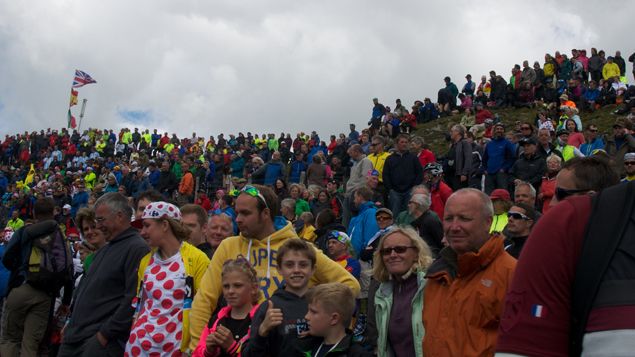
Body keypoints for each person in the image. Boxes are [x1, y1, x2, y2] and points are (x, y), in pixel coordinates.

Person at [188, 185, 361, 351]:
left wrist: (306, 306)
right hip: (238, 347)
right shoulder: (228, 247)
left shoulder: (298, 250)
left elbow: (349, 285)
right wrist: (198, 348)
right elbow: (204, 300)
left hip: (287, 346)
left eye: (245, 213)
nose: (238, 219)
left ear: (265, 213)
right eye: (237, 212)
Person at [496, 167, 622, 356]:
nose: (552, 204)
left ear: (590, 197)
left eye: (561, 195)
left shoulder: (622, 263)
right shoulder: (551, 251)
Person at [423, 189, 516, 356]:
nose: (454, 227)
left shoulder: (511, 274)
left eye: (464, 219)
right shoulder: (436, 276)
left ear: (488, 222)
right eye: (449, 219)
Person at [58, 192, 150, 356]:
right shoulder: (105, 250)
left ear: (120, 216)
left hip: (97, 343)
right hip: (74, 338)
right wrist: (71, 322)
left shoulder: (137, 248)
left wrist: (104, 335)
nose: (98, 226)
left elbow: (132, 300)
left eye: (100, 220)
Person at [127, 201, 210, 355]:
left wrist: (193, 348)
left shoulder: (198, 259)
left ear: (164, 225)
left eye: (147, 225)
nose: (142, 232)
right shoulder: (145, 261)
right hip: (138, 347)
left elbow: (203, 309)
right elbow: (140, 305)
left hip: (175, 350)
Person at [1, 198, 74, 357]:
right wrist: (66, 301)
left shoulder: (23, 231)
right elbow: (68, 271)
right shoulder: (60, 236)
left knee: (10, 338)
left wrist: (19, 271)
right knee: (31, 343)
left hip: (20, 287)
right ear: (53, 212)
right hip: (45, 295)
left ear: (34, 213)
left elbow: (7, 257)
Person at [243, 238, 316, 357]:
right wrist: (262, 332)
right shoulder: (268, 308)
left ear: (313, 269)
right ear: (279, 269)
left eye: (303, 265)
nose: (296, 270)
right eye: (289, 265)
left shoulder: (322, 304)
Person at [373, 226, 432, 357]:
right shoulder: (382, 293)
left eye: (400, 249)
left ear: (416, 252)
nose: (393, 255)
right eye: (387, 251)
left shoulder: (432, 285)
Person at [193, 257, 260, 357]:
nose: (230, 291)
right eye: (226, 286)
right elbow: (197, 354)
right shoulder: (216, 320)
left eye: (237, 285)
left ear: (253, 288)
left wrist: (233, 347)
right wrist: (208, 351)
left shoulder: (261, 320)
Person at [296, 283, 371, 357]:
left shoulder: (357, 354)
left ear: (334, 318)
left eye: (313, 312)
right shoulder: (304, 346)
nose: (306, 316)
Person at [382, 134, 423, 216]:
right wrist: (390, 189)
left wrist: (414, 187)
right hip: (395, 192)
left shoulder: (413, 158)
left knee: (409, 215)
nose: (404, 144)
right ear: (397, 144)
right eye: (402, 142)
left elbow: (419, 172)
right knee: (395, 215)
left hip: (409, 191)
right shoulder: (390, 159)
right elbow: (385, 175)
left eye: (406, 142)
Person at [483, 123, 516, 194]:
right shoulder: (489, 144)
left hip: (501, 173)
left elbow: (512, 157)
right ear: (494, 131)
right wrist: (485, 169)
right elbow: (485, 158)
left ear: (504, 131)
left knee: (502, 194)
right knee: (489, 194)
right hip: (489, 173)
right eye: (497, 129)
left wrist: (504, 168)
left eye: (501, 129)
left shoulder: (507, 143)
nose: (499, 130)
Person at [347, 187, 380, 257]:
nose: (354, 201)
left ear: (360, 197)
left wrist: (364, 253)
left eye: (355, 198)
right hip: (353, 259)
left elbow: (371, 236)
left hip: (363, 259)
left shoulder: (371, 213)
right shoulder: (357, 217)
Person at [445, 124, 473, 191]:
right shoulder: (453, 145)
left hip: (459, 175)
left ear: (457, 132)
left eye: (452, 131)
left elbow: (468, 159)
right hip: (450, 175)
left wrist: (464, 173)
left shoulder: (465, 143)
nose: (450, 133)